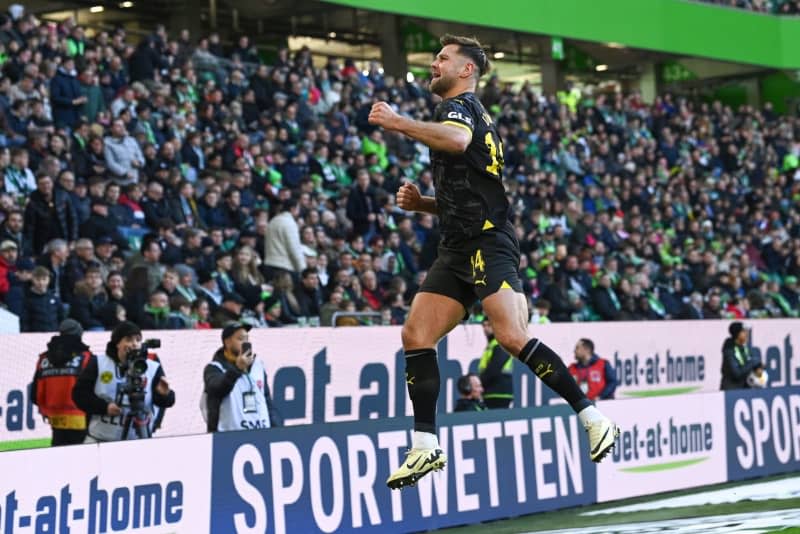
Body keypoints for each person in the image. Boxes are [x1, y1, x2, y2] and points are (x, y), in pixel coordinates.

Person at [369, 34, 618, 490]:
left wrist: (398, 122)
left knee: (509, 334)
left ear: (466, 70)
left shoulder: (458, 109)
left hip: (487, 243)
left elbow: (458, 141)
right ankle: (425, 445)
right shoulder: (470, 113)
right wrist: (423, 204)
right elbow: (469, 192)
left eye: (442, 58)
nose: (433, 64)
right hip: (457, 244)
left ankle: (591, 415)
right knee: (415, 334)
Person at [72, 321, 175, 442]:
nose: (134, 344)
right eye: (129, 339)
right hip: (100, 438)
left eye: (138, 340)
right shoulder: (98, 363)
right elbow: (79, 395)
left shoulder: (152, 367)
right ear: (117, 343)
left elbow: (167, 402)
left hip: (138, 440)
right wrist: (105, 407)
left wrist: (164, 394)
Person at [202, 322, 282, 432]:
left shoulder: (257, 365)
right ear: (227, 342)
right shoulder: (215, 368)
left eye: (247, 339)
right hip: (228, 439)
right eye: (240, 339)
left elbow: (267, 400)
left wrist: (277, 429)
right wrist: (237, 368)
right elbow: (217, 389)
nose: (245, 343)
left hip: (262, 434)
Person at [31, 319, 92, 446]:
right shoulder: (86, 357)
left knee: (59, 460)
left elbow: (35, 394)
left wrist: (48, 410)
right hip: (81, 418)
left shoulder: (44, 359)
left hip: (55, 418)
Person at [478, 319, 514, 409]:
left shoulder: (500, 343)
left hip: (498, 392)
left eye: (489, 325)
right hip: (493, 392)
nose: (485, 328)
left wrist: (479, 383)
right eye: (484, 325)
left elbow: (494, 367)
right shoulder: (492, 345)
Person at [720, 322, 765, 390]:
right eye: (743, 331)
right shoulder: (729, 350)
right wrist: (753, 363)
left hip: (744, 389)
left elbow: (753, 363)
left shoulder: (744, 348)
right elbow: (737, 373)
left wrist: (759, 367)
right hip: (731, 390)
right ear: (737, 334)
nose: (747, 334)